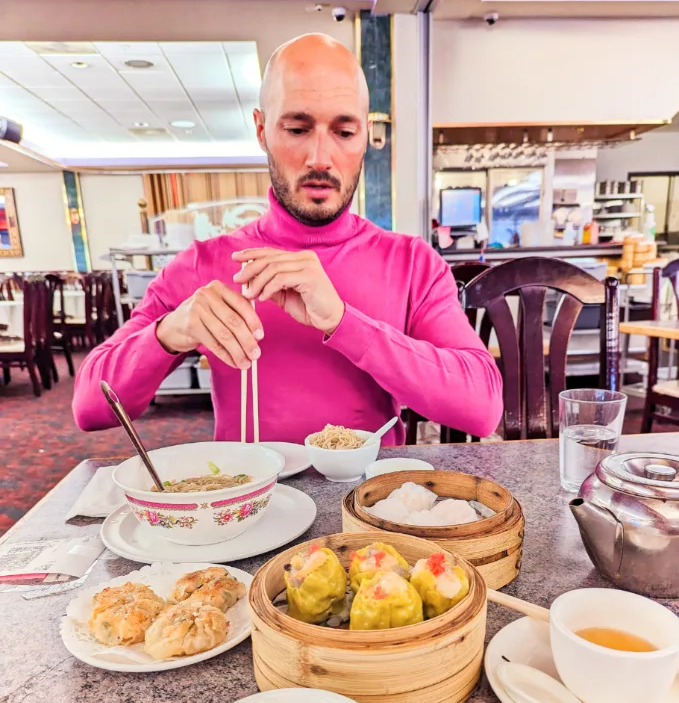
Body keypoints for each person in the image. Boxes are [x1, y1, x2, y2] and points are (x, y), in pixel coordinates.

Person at [73, 34, 503, 445]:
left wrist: (343, 321)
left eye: (344, 131)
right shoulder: (203, 265)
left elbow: (482, 407)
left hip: (370, 508)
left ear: (366, 135)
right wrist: (169, 331)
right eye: (297, 129)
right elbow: (90, 408)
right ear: (262, 131)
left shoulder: (411, 262)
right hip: (247, 511)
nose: (320, 157)